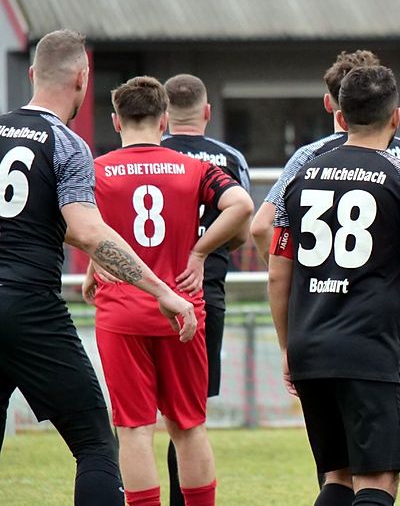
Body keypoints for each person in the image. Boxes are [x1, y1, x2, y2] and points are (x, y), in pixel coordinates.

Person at [252, 50, 400, 506]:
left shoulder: (300, 176)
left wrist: (288, 344)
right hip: (369, 345)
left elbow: (277, 271)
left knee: (337, 477)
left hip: (311, 341)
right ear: (396, 117)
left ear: (341, 116)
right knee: (378, 481)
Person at [0, 30, 197, 506]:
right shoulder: (66, 144)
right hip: (28, 307)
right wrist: (162, 290)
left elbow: (32, 217)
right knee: (94, 444)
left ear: (33, 74)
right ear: (82, 79)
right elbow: (88, 230)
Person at [83, 76, 253, 506]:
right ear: (163, 121)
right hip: (182, 310)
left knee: (134, 429)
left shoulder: (97, 169)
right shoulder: (194, 168)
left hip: (122, 312)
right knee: (189, 426)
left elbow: (80, 226)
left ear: (116, 122)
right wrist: (200, 251)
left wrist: (94, 262)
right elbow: (242, 206)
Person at [161, 73, 252, 506]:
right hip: (203, 293)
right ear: (207, 112)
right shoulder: (228, 158)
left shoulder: (151, 154)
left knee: (137, 419)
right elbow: (242, 229)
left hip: (146, 292)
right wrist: (206, 249)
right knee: (188, 416)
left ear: (163, 115)